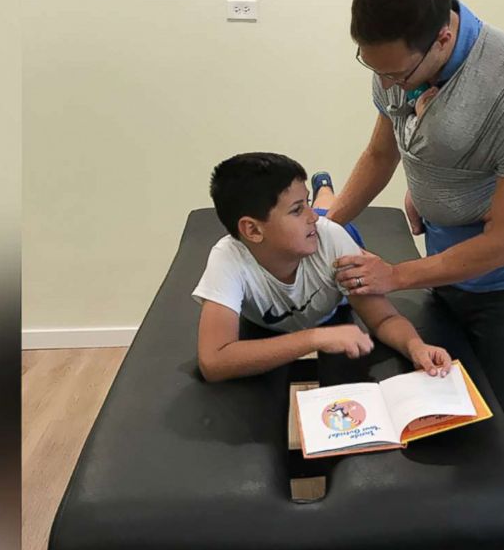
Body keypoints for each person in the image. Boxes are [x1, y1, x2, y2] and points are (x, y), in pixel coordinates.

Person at [326, 0, 504, 479]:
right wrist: (322, 228)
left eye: (395, 72)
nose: (387, 83)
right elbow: (381, 156)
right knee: (456, 411)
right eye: (373, 67)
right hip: (446, 263)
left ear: (443, 39)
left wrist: (396, 275)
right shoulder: (396, 67)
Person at [192, 152, 451, 382]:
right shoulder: (228, 259)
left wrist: (415, 346)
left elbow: (383, 318)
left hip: (334, 248)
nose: (310, 217)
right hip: (298, 288)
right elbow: (214, 361)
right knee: (324, 215)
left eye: (305, 204)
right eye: (296, 210)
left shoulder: (330, 238)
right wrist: (315, 338)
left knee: (329, 214)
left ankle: (323, 189)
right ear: (252, 229)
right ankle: (322, 193)